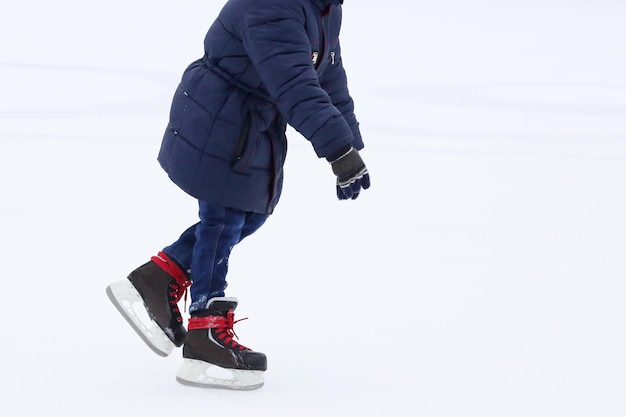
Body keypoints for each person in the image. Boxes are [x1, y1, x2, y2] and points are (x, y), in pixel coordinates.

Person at [106, 0, 369, 390]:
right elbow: (294, 82)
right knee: (224, 219)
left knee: (249, 214)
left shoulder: (324, 8)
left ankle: (158, 278)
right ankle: (204, 331)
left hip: (254, 121)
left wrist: (350, 143)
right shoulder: (273, 6)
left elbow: (328, 76)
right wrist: (336, 149)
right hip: (225, 113)